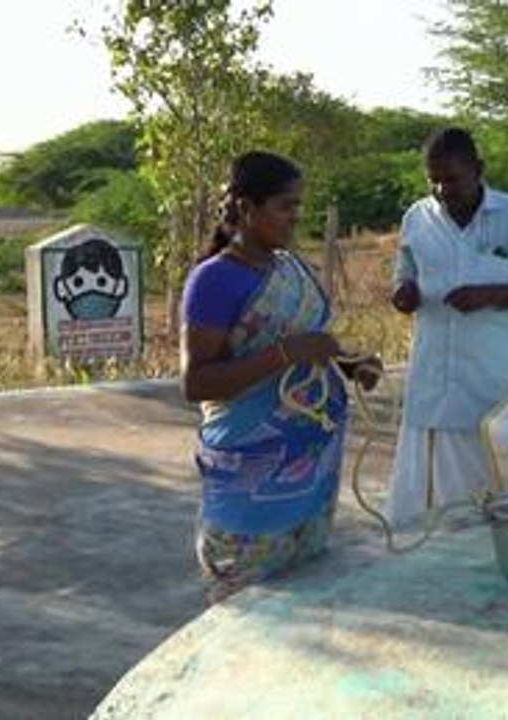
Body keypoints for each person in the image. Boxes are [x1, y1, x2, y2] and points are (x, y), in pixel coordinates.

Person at [180, 151, 379, 600]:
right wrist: (286, 354)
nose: (295, 218)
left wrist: (350, 364)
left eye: (298, 207)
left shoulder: (288, 269)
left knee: (303, 614)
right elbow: (198, 383)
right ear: (247, 209)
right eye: (285, 206)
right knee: (242, 614)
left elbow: (311, 341)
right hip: (248, 482)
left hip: (308, 477)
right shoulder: (214, 281)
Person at [385, 128, 508, 527]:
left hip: (492, 388)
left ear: (478, 170)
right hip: (431, 387)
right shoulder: (417, 218)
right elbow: (403, 275)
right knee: (425, 522)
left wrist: (490, 295)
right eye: (433, 179)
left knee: (493, 513)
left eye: (451, 178)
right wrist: (404, 292)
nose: (442, 189)